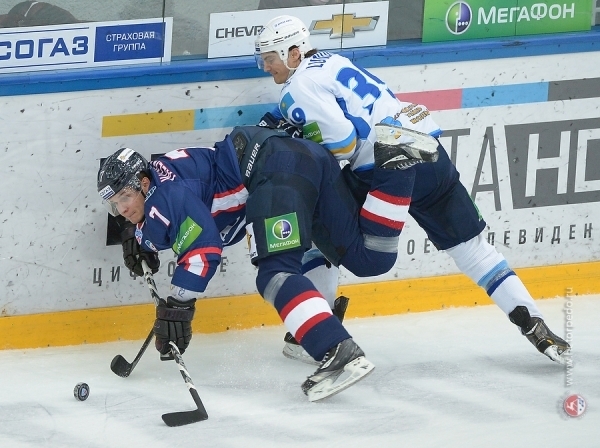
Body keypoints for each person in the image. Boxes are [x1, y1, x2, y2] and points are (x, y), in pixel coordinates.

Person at [254, 15, 571, 365]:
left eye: (269, 58)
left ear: (294, 52)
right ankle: (534, 322)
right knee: (473, 250)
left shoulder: (297, 87)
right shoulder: (332, 61)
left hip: (383, 168)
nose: (266, 67)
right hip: (426, 149)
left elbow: (344, 145)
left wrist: (301, 137)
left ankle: (319, 322)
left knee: (318, 221)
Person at [96, 127, 436, 401]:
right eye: (115, 204)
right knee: (368, 257)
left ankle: (336, 349)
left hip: (273, 171)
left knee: (275, 272)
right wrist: (139, 235)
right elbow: (172, 216)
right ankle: (396, 163)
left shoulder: (167, 196)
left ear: (144, 183)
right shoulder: (160, 181)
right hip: (307, 158)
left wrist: (178, 307)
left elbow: (203, 250)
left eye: (125, 197)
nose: (122, 209)